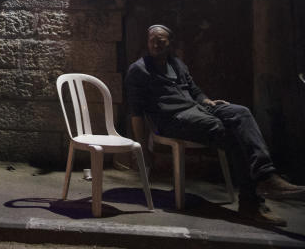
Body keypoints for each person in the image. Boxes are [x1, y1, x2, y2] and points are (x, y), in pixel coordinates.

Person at [126, 24, 305, 226]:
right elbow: (136, 112)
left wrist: (208, 102)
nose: (156, 44)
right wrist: (142, 147)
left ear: (170, 43)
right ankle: (254, 199)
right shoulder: (139, 70)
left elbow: (195, 91)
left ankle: (265, 177)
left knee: (241, 113)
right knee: (228, 132)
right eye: (152, 39)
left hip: (198, 109)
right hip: (171, 119)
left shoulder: (176, 64)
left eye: (161, 40)